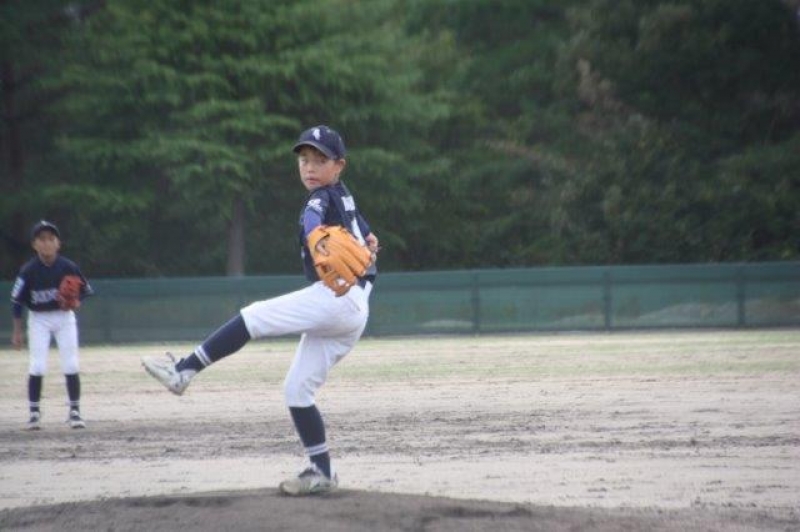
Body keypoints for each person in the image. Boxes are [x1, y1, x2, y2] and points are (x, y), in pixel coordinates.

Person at [142, 125, 379, 496]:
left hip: (337, 299)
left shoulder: (320, 199)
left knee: (253, 316)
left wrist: (315, 233)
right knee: (297, 390)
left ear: (339, 165)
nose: (309, 167)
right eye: (304, 159)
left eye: (320, 160)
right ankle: (321, 472)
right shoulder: (344, 195)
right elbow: (367, 235)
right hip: (354, 307)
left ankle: (183, 371)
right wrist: (371, 239)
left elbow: (313, 218)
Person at [11, 220, 94, 430]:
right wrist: (17, 331)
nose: (46, 243)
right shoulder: (28, 270)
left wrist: (76, 301)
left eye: (51, 239)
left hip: (64, 318)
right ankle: (34, 413)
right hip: (39, 319)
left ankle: (75, 411)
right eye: (42, 239)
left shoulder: (68, 266)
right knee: (37, 366)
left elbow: (85, 290)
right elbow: (17, 301)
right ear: (34, 244)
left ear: (58, 243)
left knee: (71, 364)